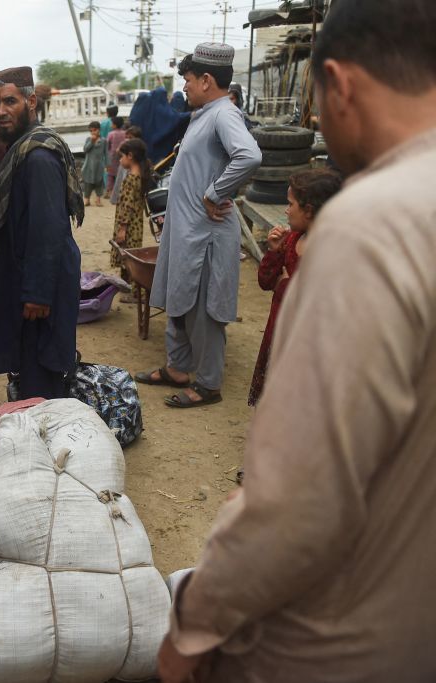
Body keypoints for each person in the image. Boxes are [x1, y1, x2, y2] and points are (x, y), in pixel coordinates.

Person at [157, 0, 436, 680]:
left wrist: (193, 625)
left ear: (338, 83)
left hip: (334, 645)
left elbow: (297, 504)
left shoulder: (369, 223)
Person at [135, 43, 261, 408]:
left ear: (207, 80)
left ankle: (208, 385)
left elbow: (250, 155)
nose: (185, 87)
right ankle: (178, 368)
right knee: (180, 301)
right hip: (187, 231)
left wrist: (215, 192)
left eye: (188, 80)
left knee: (204, 308)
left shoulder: (224, 114)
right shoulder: (204, 113)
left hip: (206, 232)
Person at [0, 66, 84, 400]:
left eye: (9, 101)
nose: (0, 112)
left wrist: (38, 293)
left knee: (42, 380)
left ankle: (47, 445)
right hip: (27, 282)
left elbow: (48, 228)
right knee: (28, 370)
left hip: (39, 292)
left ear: (32, 101)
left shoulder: (38, 156)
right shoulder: (24, 146)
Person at [247, 168, 341, 406]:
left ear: (309, 211)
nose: (286, 210)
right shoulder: (292, 239)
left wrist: (286, 283)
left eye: (291, 204)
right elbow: (266, 281)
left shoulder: (330, 251)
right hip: (278, 335)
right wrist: (274, 249)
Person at [111, 138, 152, 300]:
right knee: (129, 257)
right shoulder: (140, 175)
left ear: (130, 156)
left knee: (129, 260)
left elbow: (126, 206)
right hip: (136, 226)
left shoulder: (131, 179)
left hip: (128, 227)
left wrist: (122, 229)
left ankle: (136, 293)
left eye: (121, 157)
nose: (120, 160)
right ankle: (127, 289)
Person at [111, 124, 143, 205]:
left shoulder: (139, 149)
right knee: (121, 184)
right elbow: (118, 151)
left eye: (130, 137)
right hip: (123, 170)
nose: (127, 139)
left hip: (130, 173)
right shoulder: (125, 145)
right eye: (126, 137)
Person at [80, 121, 106, 207]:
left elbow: (107, 154)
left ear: (99, 130)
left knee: (99, 183)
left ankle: (98, 199)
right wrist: (92, 141)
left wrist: (108, 164)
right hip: (89, 166)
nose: (93, 132)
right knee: (88, 183)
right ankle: (86, 199)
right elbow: (85, 149)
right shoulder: (88, 139)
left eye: (94, 130)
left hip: (99, 166)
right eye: (91, 131)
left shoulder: (103, 141)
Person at [104, 116, 126, 199]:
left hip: (112, 157)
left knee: (110, 175)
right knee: (119, 175)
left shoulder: (111, 134)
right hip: (121, 156)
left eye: (112, 123)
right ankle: (119, 192)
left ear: (115, 125)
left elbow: (107, 145)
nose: (111, 125)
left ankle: (108, 192)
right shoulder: (124, 133)